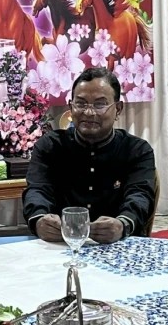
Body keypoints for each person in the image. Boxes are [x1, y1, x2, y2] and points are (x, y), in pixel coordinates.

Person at [23, 67, 156, 243]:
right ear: (71, 107)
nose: (88, 112)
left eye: (99, 104)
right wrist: (40, 220)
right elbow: (37, 190)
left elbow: (140, 196)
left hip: (118, 245)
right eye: (81, 103)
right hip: (61, 245)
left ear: (118, 109)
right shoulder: (50, 146)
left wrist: (122, 224)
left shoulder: (137, 150)